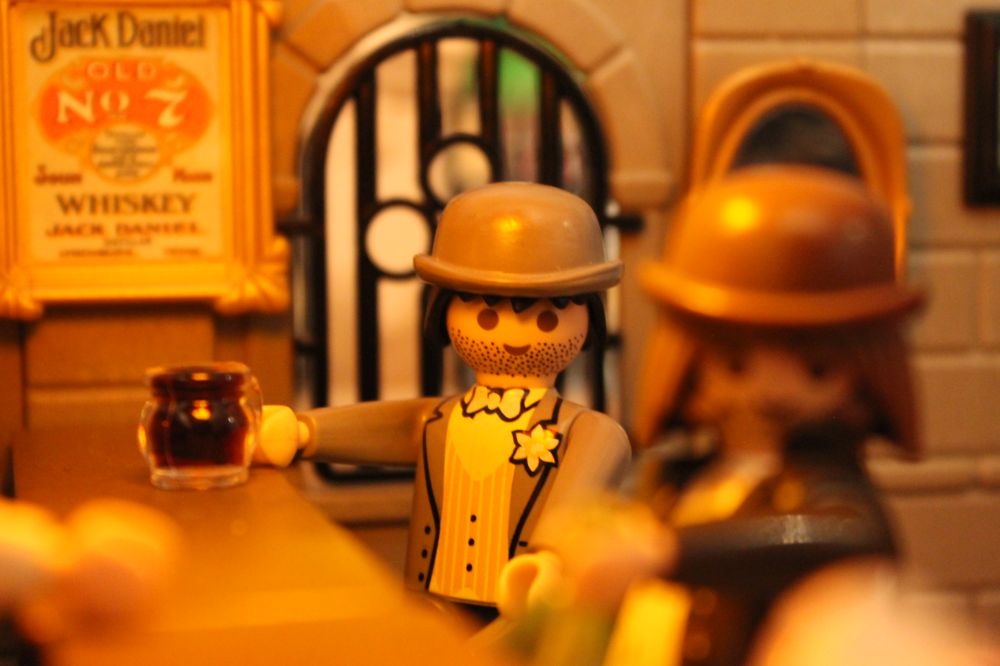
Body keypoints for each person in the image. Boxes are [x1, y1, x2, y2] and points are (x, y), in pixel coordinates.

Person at [515, 165, 925, 666]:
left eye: (817, 369)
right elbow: (616, 546)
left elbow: (844, 537)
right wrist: (565, 571)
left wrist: (668, 553)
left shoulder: (824, 488)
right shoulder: (680, 478)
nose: (773, 390)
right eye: (735, 364)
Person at [260, 182, 630, 619]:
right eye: (488, 316)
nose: (514, 335)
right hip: (433, 601)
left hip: (518, 607)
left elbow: (576, 500)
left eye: (547, 318)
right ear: (443, 311)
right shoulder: (439, 419)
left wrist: (552, 558)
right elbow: (396, 425)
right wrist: (305, 432)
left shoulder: (586, 432)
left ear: (590, 320)